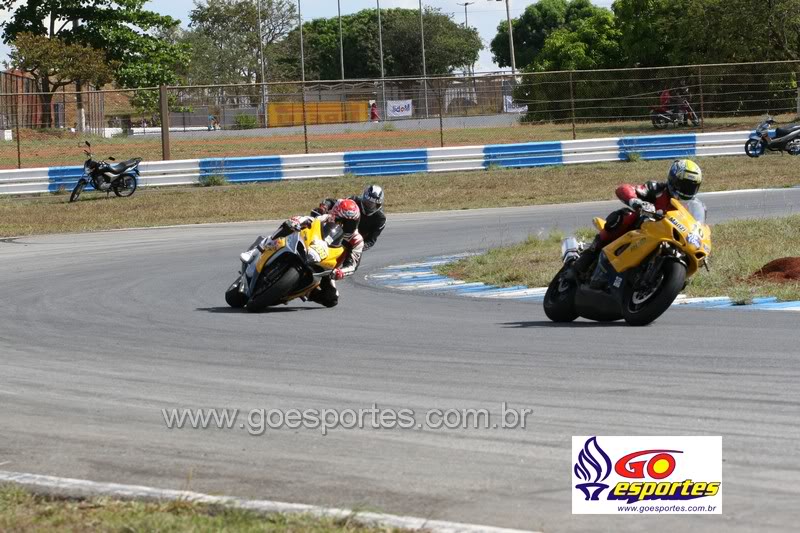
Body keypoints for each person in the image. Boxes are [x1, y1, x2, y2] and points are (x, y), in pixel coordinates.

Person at [570, 159, 703, 289]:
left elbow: (697, 226)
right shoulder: (657, 189)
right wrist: (636, 201)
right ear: (674, 180)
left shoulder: (692, 207)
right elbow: (624, 189)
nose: (687, 190)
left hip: (667, 239)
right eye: (685, 185)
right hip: (639, 231)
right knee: (625, 216)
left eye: (692, 186)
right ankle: (589, 254)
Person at [240, 198, 364, 308]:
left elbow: (353, 265)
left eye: (351, 223)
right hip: (310, 247)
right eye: (342, 221)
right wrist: (298, 222)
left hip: (328, 267)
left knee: (331, 299)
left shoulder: (357, 240)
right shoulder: (325, 219)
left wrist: (341, 272)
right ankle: (257, 249)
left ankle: (305, 291)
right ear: (334, 215)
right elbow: (311, 221)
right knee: (290, 224)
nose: (345, 226)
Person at [313, 185, 386, 251]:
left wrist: (357, 247)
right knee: (316, 215)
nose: (368, 206)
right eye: (367, 202)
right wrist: (324, 207)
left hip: (351, 243)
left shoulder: (380, 219)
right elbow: (336, 202)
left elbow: (370, 241)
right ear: (363, 197)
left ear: (378, 205)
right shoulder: (353, 200)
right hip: (336, 230)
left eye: (371, 204)